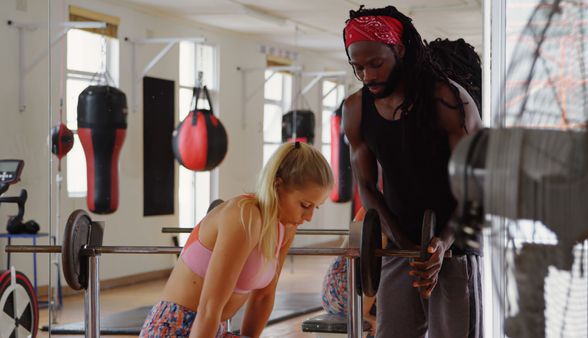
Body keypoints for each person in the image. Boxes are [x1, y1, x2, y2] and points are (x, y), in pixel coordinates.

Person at [342, 5, 483, 338]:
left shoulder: (448, 100)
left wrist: (440, 247)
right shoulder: (355, 109)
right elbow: (367, 185)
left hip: (457, 241)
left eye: (376, 64)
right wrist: (406, 247)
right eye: (358, 67)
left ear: (400, 50)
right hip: (399, 243)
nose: (368, 76)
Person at [139, 141, 333, 338]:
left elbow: (263, 298)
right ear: (278, 184)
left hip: (214, 330)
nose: (309, 217)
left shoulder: (285, 228)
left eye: (315, 207)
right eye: (305, 205)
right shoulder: (245, 216)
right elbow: (209, 308)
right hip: (176, 327)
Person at [320, 208, 380, 336]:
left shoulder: (365, 207)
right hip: (347, 296)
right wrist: (364, 313)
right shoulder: (380, 212)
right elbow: (375, 271)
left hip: (330, 294)